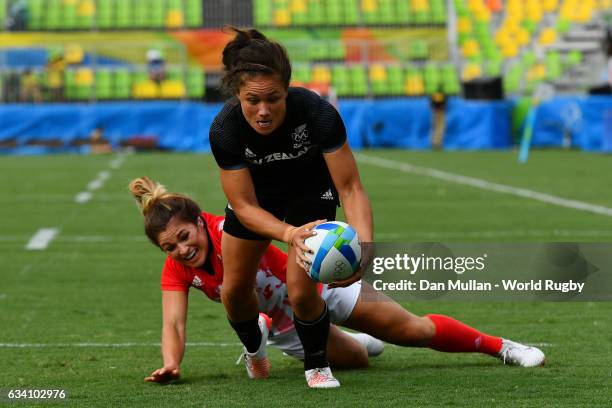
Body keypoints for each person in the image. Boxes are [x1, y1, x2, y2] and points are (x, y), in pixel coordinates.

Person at [129, 178, 545, 384]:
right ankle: (267, 336)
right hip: (292, 326)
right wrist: (172, 363)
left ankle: (503, 347)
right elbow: (174, 323)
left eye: (184, 237)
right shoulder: (178, 269)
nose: (181, 250)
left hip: (317, 285)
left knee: (411, 330)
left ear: (201, 222)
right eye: (170, 247)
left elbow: (280, 226)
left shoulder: (229, 229)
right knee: (361, 361)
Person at [209, 27, 374, 388]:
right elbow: (243, 204)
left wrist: (366, 247)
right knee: (234, 291)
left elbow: (350, 186)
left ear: (287, 90)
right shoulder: (225, 129)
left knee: (300, 291)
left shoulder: (318, 113)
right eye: (253, 100)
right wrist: (287, 234)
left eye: (274, 99)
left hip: (309, 193)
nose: (264, 110)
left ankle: (316, 366)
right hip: (258, 200)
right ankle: (255, 352)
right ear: (238, 94)